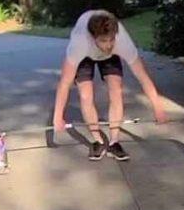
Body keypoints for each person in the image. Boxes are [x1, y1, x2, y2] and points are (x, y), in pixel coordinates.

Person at [52, 9, 167, 160]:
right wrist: (57, 117)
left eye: (111, 39)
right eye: (104, 41)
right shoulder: (80, 43)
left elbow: (142, 77)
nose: (108, 45)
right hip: (85, 56)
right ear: (93, 38)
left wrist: (157, 107)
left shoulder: (121, 42)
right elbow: (64, 83)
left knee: (116, 89)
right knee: (86, 95)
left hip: (110, 58)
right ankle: (97, 141)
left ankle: (114, 142)